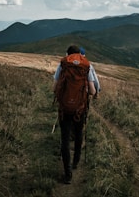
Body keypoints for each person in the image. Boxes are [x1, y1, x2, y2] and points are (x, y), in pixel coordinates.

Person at [53, 45, 96, 184]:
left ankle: (68, 173)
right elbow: (92, 91)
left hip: (65, 109)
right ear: (79, 54)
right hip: (80, 108)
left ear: (68, 54)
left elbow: (55, 88)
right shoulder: (86, 66)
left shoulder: (63, 65)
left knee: (65, 139)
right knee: (78, 134)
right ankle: (76, 161)